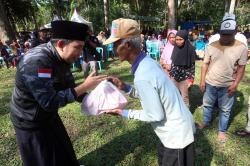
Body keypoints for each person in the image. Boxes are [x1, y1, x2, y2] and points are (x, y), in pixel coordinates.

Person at [10, 20, 106, 166]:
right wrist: (85, 85)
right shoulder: (37, 62)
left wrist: (101, 103)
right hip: (30, 120)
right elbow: (49, 102)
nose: (80, 54)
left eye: (82, 48)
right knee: (43, 159)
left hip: (48, 117)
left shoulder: (62, 57)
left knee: (63, 152)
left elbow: (70, 88)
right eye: (77, 47)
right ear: (61, 44)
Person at [104, 18, 195, 166]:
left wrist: (123, 112)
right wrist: (125, 87)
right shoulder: (148, 62)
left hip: (176, 135)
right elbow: (154, 95)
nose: (113, 49)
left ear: (127, 45)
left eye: (115, 44)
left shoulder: (142, 75)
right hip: (177, 128)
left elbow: (155, 115)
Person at [198, 13, 248, 142]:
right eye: (223, 34)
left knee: (225, 110)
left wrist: (235, 84)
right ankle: (206, 122)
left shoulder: (241, 47)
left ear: (235, 32)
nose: (225, 37)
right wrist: (202, 80)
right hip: (210, 82)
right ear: (219, 32)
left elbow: (242, 68)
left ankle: (222, 131)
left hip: (228, 85)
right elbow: (205, 64)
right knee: (207, 105)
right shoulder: (211, 45)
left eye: (228, 34)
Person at [169, 30, 196, 107]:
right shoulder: (175, 48)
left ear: (185, 39)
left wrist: (190, 80)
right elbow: (173, 62)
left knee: (185, 97)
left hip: (185, 78)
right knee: (174, 95)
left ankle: (186, 115)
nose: (178, 41)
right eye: (176, 39)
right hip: (175, 76)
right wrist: (171, 75)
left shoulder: (191, 49)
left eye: (181, 39)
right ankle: (177, 113)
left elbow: (192, 66)